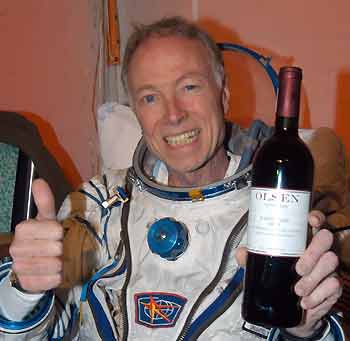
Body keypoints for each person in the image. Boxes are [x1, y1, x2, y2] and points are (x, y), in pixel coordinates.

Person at [0, 17, 344, 340]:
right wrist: (23, 291)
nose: (174, 114)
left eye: (189, 86)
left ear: (223, 96)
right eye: (150, 97)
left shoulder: (281, 215)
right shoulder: (97, 205)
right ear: (136, 112)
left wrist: (306, 329)